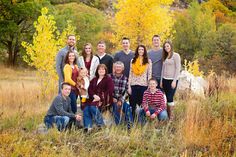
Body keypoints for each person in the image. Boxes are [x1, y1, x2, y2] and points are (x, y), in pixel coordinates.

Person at [83, 64, 114, 131]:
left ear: (106, 71)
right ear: (97, 71)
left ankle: (101, 125)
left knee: (92, 106)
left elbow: (109, 91)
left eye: (103, 69)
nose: (101, 70)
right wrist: (94, 95)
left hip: (105, 100)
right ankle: (88, 128)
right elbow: (89, 89)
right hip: (93, 98)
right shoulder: (94, 79)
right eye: (99, 69)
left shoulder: (108, 79)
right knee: (86, 108)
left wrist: (100, 98)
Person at [128, 45, 152, 118]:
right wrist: (129, 86)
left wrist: (149, 86)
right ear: (137, 51)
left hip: (143, 85)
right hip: (133, 84)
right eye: (139, 50)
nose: (141, 51)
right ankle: (132, 121)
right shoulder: (133, 61)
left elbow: (149, 74)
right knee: (133, 104)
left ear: (144, 51)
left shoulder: (148, 61)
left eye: (142, 50)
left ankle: (142, 121)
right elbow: (130, 74)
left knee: (143, 104)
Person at [160, 40, 181, 120]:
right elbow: (162, 69)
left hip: (172, 80)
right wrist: (161, 80)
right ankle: (166, 116)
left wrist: (174, 81)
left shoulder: (176, 55)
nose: (166, 48)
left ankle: (171, 117)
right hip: (165, 80)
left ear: (171, 46)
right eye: (165, 47)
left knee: (170, 97)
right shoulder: (165, 56)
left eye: (167, 46)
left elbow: (177, 68)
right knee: (166, 97)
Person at [110, 61, 133, 129]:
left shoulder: (125, 78)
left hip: (121, 99)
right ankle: (118, 126)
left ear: (123, 68)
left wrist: (121, 100)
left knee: (127, 107)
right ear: (114, 68)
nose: (118, 68)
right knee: (116, 108)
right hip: (112, 99)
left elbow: (126, 92)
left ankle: (130, 126)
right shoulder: (109, 77)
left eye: (120, 67)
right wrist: (112, 98)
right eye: (117, 67)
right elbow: (107, 90)